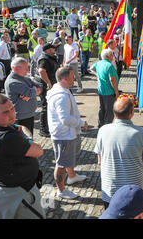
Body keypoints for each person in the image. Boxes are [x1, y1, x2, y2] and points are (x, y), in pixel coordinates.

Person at [0, 95, 45, 219]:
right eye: (6, 112)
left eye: (12, 108)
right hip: (19, 195)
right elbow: (38, 151)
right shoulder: (6, 138)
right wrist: (27, 137)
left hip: (0, 190)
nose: (12, 114)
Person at [94, 97, 143, 208]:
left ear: (114, 113)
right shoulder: (141, 133)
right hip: (135, 192)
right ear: (131, 113)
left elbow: (100, 161)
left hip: (110, 192)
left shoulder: (102, 130)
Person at [47, 67, 88, 200]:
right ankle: (61, 190)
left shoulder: (62, 89)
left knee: (68, 158)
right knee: (61, 163)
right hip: (63, 135)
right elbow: (64, 119)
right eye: (72, 76)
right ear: (65, 78)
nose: (74, 78)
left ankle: (71, 176)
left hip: (68, 133)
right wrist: (81, 123)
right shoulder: (61, 96)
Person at [4, 58, 42, 137]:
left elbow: (39, 87)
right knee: (23, 141)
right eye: (25, 68)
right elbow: (31, 92)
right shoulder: (13, 82)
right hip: (21, 118)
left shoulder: (25, 78)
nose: (28, 70)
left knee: (29, 137)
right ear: (16, 68)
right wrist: (33, 91)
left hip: (28, 115)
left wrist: (32, 92)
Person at [90, 49, 119, 128]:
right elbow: (112, 79)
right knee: (109, 110)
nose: (113, 56)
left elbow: (91, 68)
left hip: (101, 90)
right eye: (112, 54)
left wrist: (97, 75)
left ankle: (101, 123)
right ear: (108, 56)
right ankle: (107, 126)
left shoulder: (99, 63)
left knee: (102, 108)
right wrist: (116, 91)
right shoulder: (109, 65)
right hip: (109, 91)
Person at [36, 43, 59, 137]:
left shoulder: (49, 57)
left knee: (49, 106)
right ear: (48, 50)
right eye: (53, 48)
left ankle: (48, 126)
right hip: (44, 85)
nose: (54, 50)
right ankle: (43, 130)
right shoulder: (44, 59)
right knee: (46, 106)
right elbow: (41, 71)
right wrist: (48, 82)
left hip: (49, 83)